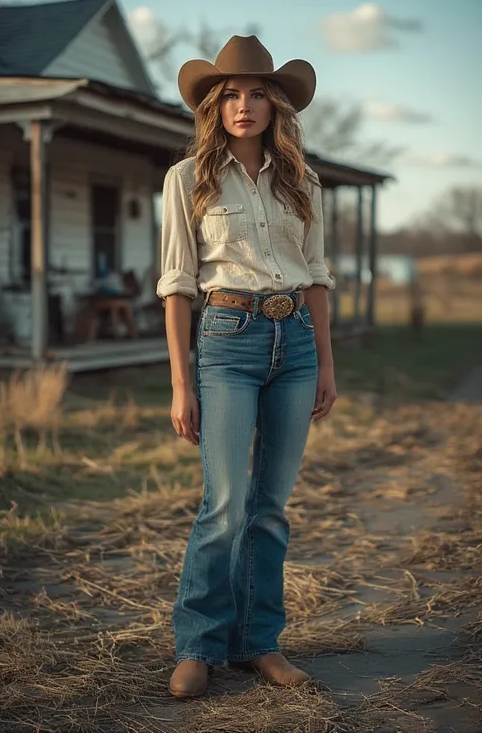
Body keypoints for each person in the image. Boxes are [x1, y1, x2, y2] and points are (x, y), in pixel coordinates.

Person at [156, 35, 337, 699]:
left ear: (277, 105)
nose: (243, 105)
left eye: (257, 92)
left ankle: (259, 644)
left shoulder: (305, 183)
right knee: (225, 504)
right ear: (214, 106)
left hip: (294, 343)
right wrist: (182, 382)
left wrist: (324, 363)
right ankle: (199, 645)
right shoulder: (186, 180)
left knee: (269, 508)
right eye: (230, 94)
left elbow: (317, 279)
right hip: (226, 337)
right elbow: (176, 286)